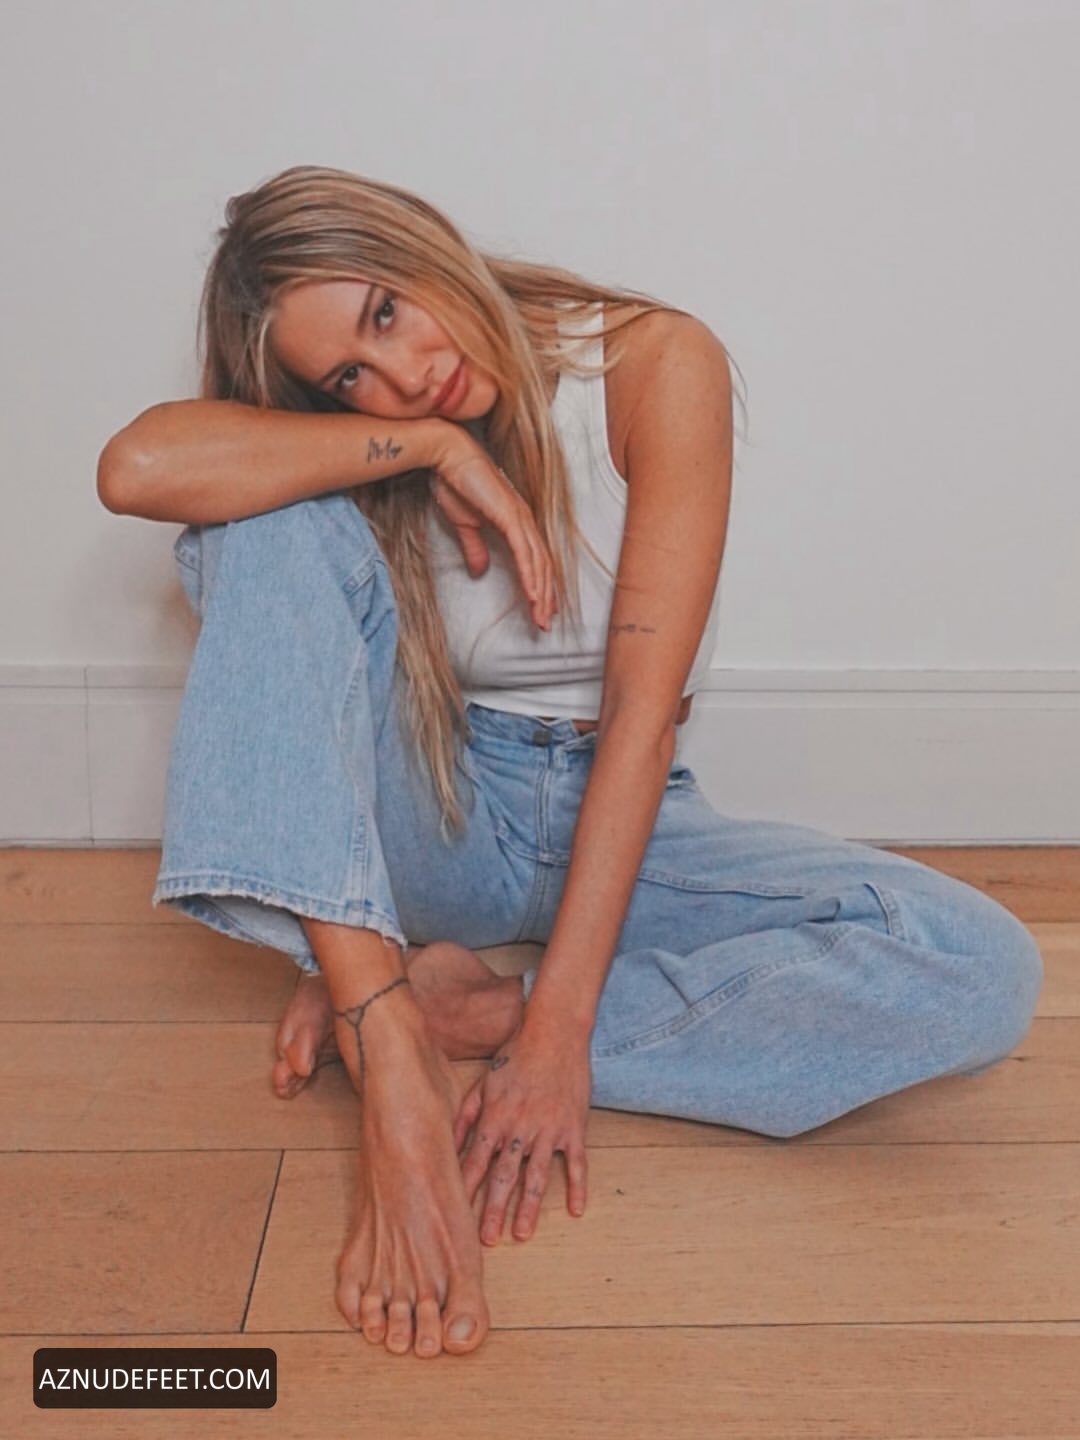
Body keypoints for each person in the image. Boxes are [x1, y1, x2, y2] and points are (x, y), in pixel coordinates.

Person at [97, 164, 1043, 1362]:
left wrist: (548, 1032)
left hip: (629, 810)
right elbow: (136, 471)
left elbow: (642, 723)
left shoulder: (651, 365)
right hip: (442, 807)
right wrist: (426, 445)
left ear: (423, 241)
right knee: (261, 528)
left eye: (387, 311)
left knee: (976, 966)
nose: (400, 372)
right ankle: (385, 1029)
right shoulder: (386, 429)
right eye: (348, 376)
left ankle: (461, 1005)